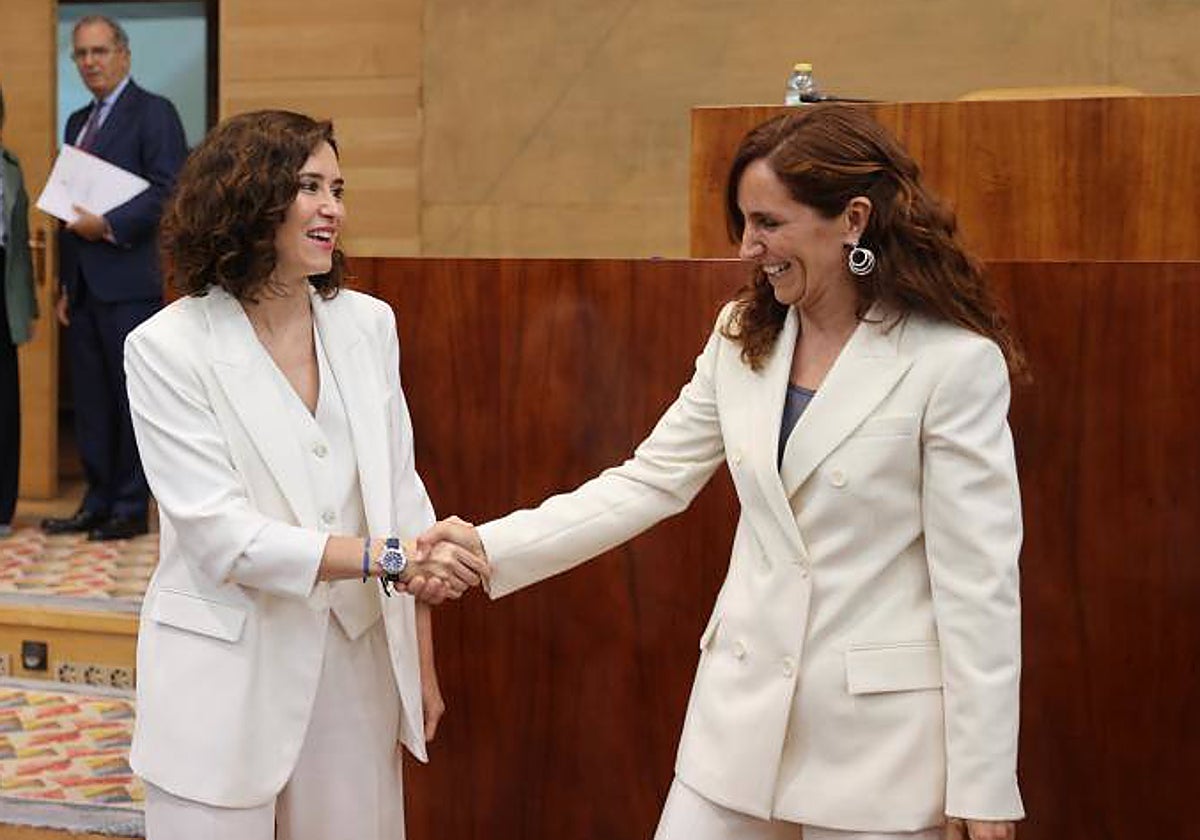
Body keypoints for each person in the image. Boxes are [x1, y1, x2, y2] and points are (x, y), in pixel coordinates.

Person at [419, 105, 1025, 840]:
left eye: (769, 223)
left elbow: (979, 585)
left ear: (854, 219)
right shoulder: (741, 337)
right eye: (742, 222)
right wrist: (489, 548)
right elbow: (649, 480)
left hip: (882, 752)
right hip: (736, 729)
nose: (748, 248)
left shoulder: (952, 363)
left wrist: (984, 779)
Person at [123, 110, 486, 840]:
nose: (333, 209)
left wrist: (419, 658)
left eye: (339, 189)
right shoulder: (166, 348)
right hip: (225, 678)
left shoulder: (369, 325)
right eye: (310, 187)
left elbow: (400, 494)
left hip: (354, 673)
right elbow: (220, 537)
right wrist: (387, 558)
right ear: (249, 199)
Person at [41, 14, 187, 541]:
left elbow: (170, 189)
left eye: (99, 51)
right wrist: (63, 284)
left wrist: (109, 224)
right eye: (80, 54)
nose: (90, 63)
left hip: (130, 282)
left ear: (124, 54)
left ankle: (129, 506)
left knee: (130, 401)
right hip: (83, 288)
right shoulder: (76, 119)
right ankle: (97, 499)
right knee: (92, 401)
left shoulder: (155, 113)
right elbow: (67, 201)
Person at [0, 84, 38, 537]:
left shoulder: (9, 167)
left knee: (5, 404)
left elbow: (20, 248)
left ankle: (2, 509)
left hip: (3, 294)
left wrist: (25, 304)